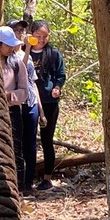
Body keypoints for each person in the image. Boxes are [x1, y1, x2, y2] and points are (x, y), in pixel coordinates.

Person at [30, 20, 66, 190]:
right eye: (38, 36)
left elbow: (61, 74)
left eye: (45, 36)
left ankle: (47, 178)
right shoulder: (24, 52)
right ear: (31, 35)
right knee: (27, 140)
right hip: (28, 102)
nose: (42, 39)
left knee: (46, 140)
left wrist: (57, 87)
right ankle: (26, 176)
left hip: (49, 102)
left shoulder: (53, 53)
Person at [9, 20, 40, 194]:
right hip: (16, 102)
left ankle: (28, 183)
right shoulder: (10, 56)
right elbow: (20, 70)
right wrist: (27, 49)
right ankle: (18, 183)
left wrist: (41, 109)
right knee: (17, 143)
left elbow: (32, 81)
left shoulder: (25, 54)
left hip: (31, 101)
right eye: (16, 29)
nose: (20, 32)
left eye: (21, 30)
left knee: (31, 144)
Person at [0, 25, 28, 191]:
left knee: (16, 150)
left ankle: (20, 190)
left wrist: (10, 95)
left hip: (12, 111)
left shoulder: (16, 63)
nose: (11, 48)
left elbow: (25, 92)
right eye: (7, 45)